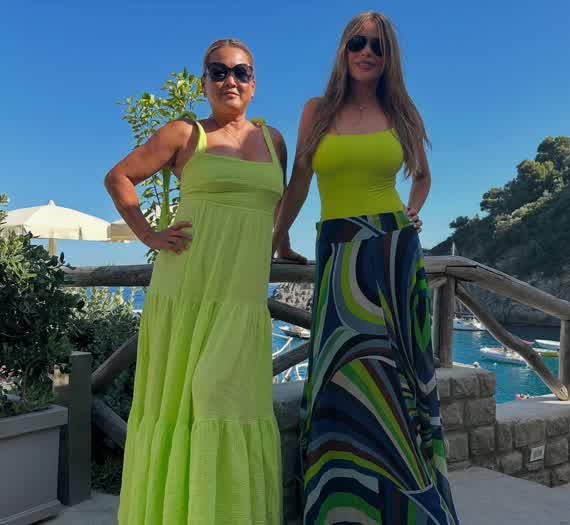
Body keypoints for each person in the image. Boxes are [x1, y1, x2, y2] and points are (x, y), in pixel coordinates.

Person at [272, 12, 460, 524]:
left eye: (378, 45)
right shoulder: (316, 111)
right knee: (340, 371)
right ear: (343, 49)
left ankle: (412, 503)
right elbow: (299, 181)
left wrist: (412, 211)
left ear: (388, 56)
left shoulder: (401, 111)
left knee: (400, 375)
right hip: (338, 249)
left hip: (394, 252)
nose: (367, 52)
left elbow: (422, 175)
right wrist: (280, 239)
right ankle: (343, 502)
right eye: (358, 42)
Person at [106, 38, 303, 525]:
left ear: (254, 84)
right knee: (183, 405)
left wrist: (280, 245)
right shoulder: (184, 133)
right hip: (186, 289)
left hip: (242, 297)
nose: (229, 80)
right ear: (204, 83)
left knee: (223, 397)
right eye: (218, 72)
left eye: (240, 72)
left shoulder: (274, 141)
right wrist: (149, 235)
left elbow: (275, 203)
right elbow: (119, 177)